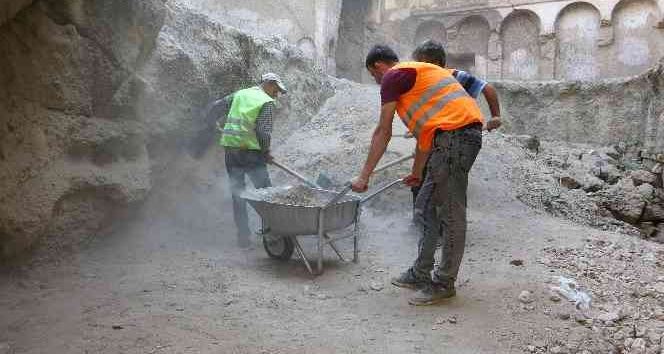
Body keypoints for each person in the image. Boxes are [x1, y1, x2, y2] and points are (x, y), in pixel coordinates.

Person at [351, 45, 483, 305]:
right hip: (450, 138)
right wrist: (416, 173)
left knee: (451, 212)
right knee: (424, 206)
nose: (376, 82)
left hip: (455, 138)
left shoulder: (393, 76)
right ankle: (421, 272)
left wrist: (364, 176)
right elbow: (426, 139)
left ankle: (443, 282)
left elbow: (383, 131)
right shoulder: (417, 79)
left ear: (378, 66)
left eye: (373, 75)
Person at [410, 40, 502, 204]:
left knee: (443, 183)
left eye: (421, 63)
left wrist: (495, 116)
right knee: (421, 179)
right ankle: (422, 220)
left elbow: (487, 88)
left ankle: (439, 222)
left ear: (435, 62)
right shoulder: (422, 82)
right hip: (434, 138)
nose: (417, 67)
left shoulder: (453, 76)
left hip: (454, 138)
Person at [216, 73, 287, 248]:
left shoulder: (240, 94)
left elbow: (217, 106)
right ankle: (273, 234)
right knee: (267, 194)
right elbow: (263, 132)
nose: (276, 95)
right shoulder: (266, 102)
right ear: (269, 84)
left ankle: (243, 238)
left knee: (237, 194)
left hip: (231, 152)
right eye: (276, 90)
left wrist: (211, 123)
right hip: (251, 155)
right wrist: (265, 152)